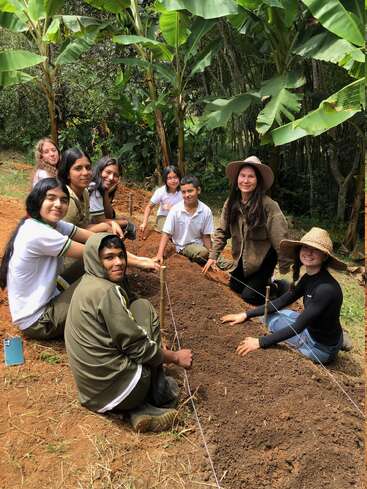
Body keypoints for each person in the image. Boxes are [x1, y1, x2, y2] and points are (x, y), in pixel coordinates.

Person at [65, 233, 193, 432]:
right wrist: (175, 357)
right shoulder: (107, 291)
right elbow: (138, 348)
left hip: (92, 393)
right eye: (109, 257)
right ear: (94, 259)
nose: (118, 262)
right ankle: (155, 393)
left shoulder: (86, 283)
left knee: (136, 310)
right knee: (143, 307)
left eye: (121, 255)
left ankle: (137, 410)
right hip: (123, 389)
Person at [221, 227, 348, 364]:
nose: (308, 253)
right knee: (279, 312)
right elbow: (283, 300)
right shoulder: (310, 277)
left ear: (325, 256)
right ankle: (340, 339)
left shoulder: (325, 289)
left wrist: (260, 342)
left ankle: (335, 343)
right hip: (320, 331)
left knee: (269, 320)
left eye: (315, 250)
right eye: (305, 247)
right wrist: (246, 314)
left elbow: (298, 327)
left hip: (319, 348)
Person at [0, 178, 92, 340]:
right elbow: (95, 252)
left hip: (47, 297)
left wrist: (110, 239)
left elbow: (91, 238)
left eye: (64, 200)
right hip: (39, 322)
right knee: (103, 275)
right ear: (38, 200)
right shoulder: (38, 233)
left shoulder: (49, 223)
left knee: (94, 263)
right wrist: (138, 261)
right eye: (51, 198)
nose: (58, 204)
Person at [203, 156, 291, 305]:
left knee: (249, 296)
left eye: (251, 176)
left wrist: (284, 266)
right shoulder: (231, 203)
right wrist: (213, 255)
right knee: (235, 286)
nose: (246, 180)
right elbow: (222, 231)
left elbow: (280, 237)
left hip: (264, 258)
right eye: (242, 176)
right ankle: (262, 284)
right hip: (243, 258)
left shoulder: (269, 205)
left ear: (258, 181)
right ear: (237, 179)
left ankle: (277, 288)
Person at [58, 148, 123, 236]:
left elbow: (83, 225)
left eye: (88, 168)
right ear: (67, 174)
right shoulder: (67, 199)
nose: (85, 173)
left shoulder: (84, 192)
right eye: (78, 168)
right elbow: (66, 235)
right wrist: (106, 226)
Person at [154, 175, 214, 265]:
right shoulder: (175, 210)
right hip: (183, 246)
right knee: (203, 252)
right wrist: (159, 254)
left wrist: (212, 257)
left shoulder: (206, 211)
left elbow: (206, 236)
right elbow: (166, 233)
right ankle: (188, 258)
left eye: (190, 191)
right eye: (184, 192)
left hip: (198, 242)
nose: (187, 195)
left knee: (217, 256)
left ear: (198, 190)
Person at [88, 155, 135, 240]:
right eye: (108, 172)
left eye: (115, 175)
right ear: (100, 170)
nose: (111, 178)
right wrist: (125, 223)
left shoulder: (103, 190)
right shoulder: (94, 188)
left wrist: (105, 191)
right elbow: (100, 221)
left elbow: (108, 215)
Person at [139, 165, 182, 238]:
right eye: (169, 178)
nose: (173, 181)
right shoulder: (160, 192)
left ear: (179, 178)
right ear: (165, 180)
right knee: (168, 230)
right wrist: (144, 223)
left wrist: (173, 208)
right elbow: (149, 207)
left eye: (175, 177)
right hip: (163, 216)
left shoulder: (183, 191)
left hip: (179, 217)